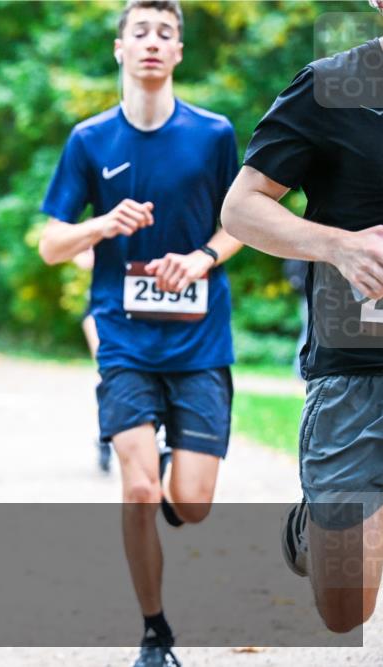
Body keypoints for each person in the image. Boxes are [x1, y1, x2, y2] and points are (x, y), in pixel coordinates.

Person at [36, 2, 243, 665]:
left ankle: (173, 476)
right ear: (119, 48)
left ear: (178, 51)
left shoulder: (213, 134)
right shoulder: (89, 140)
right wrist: (101, 225)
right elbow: (50, 244)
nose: (152, 42)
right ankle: (155, 633)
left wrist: (203, 258)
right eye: (140, 32)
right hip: (123, 339)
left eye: (165, 33)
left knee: (193, 504)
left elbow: (243, 221)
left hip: (199, 341)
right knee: (138, 490)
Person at [221, 0, 383, 634]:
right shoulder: (329, 86)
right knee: (345, 610)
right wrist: (338, 246)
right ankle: (317, 523)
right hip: (357, 367)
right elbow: (241, 208)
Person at [74, 248, 114, 474]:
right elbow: (81, 259)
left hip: (136, 312)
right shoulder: (101, 232)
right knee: (105, 372)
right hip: (99, 311)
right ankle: (104, 437)